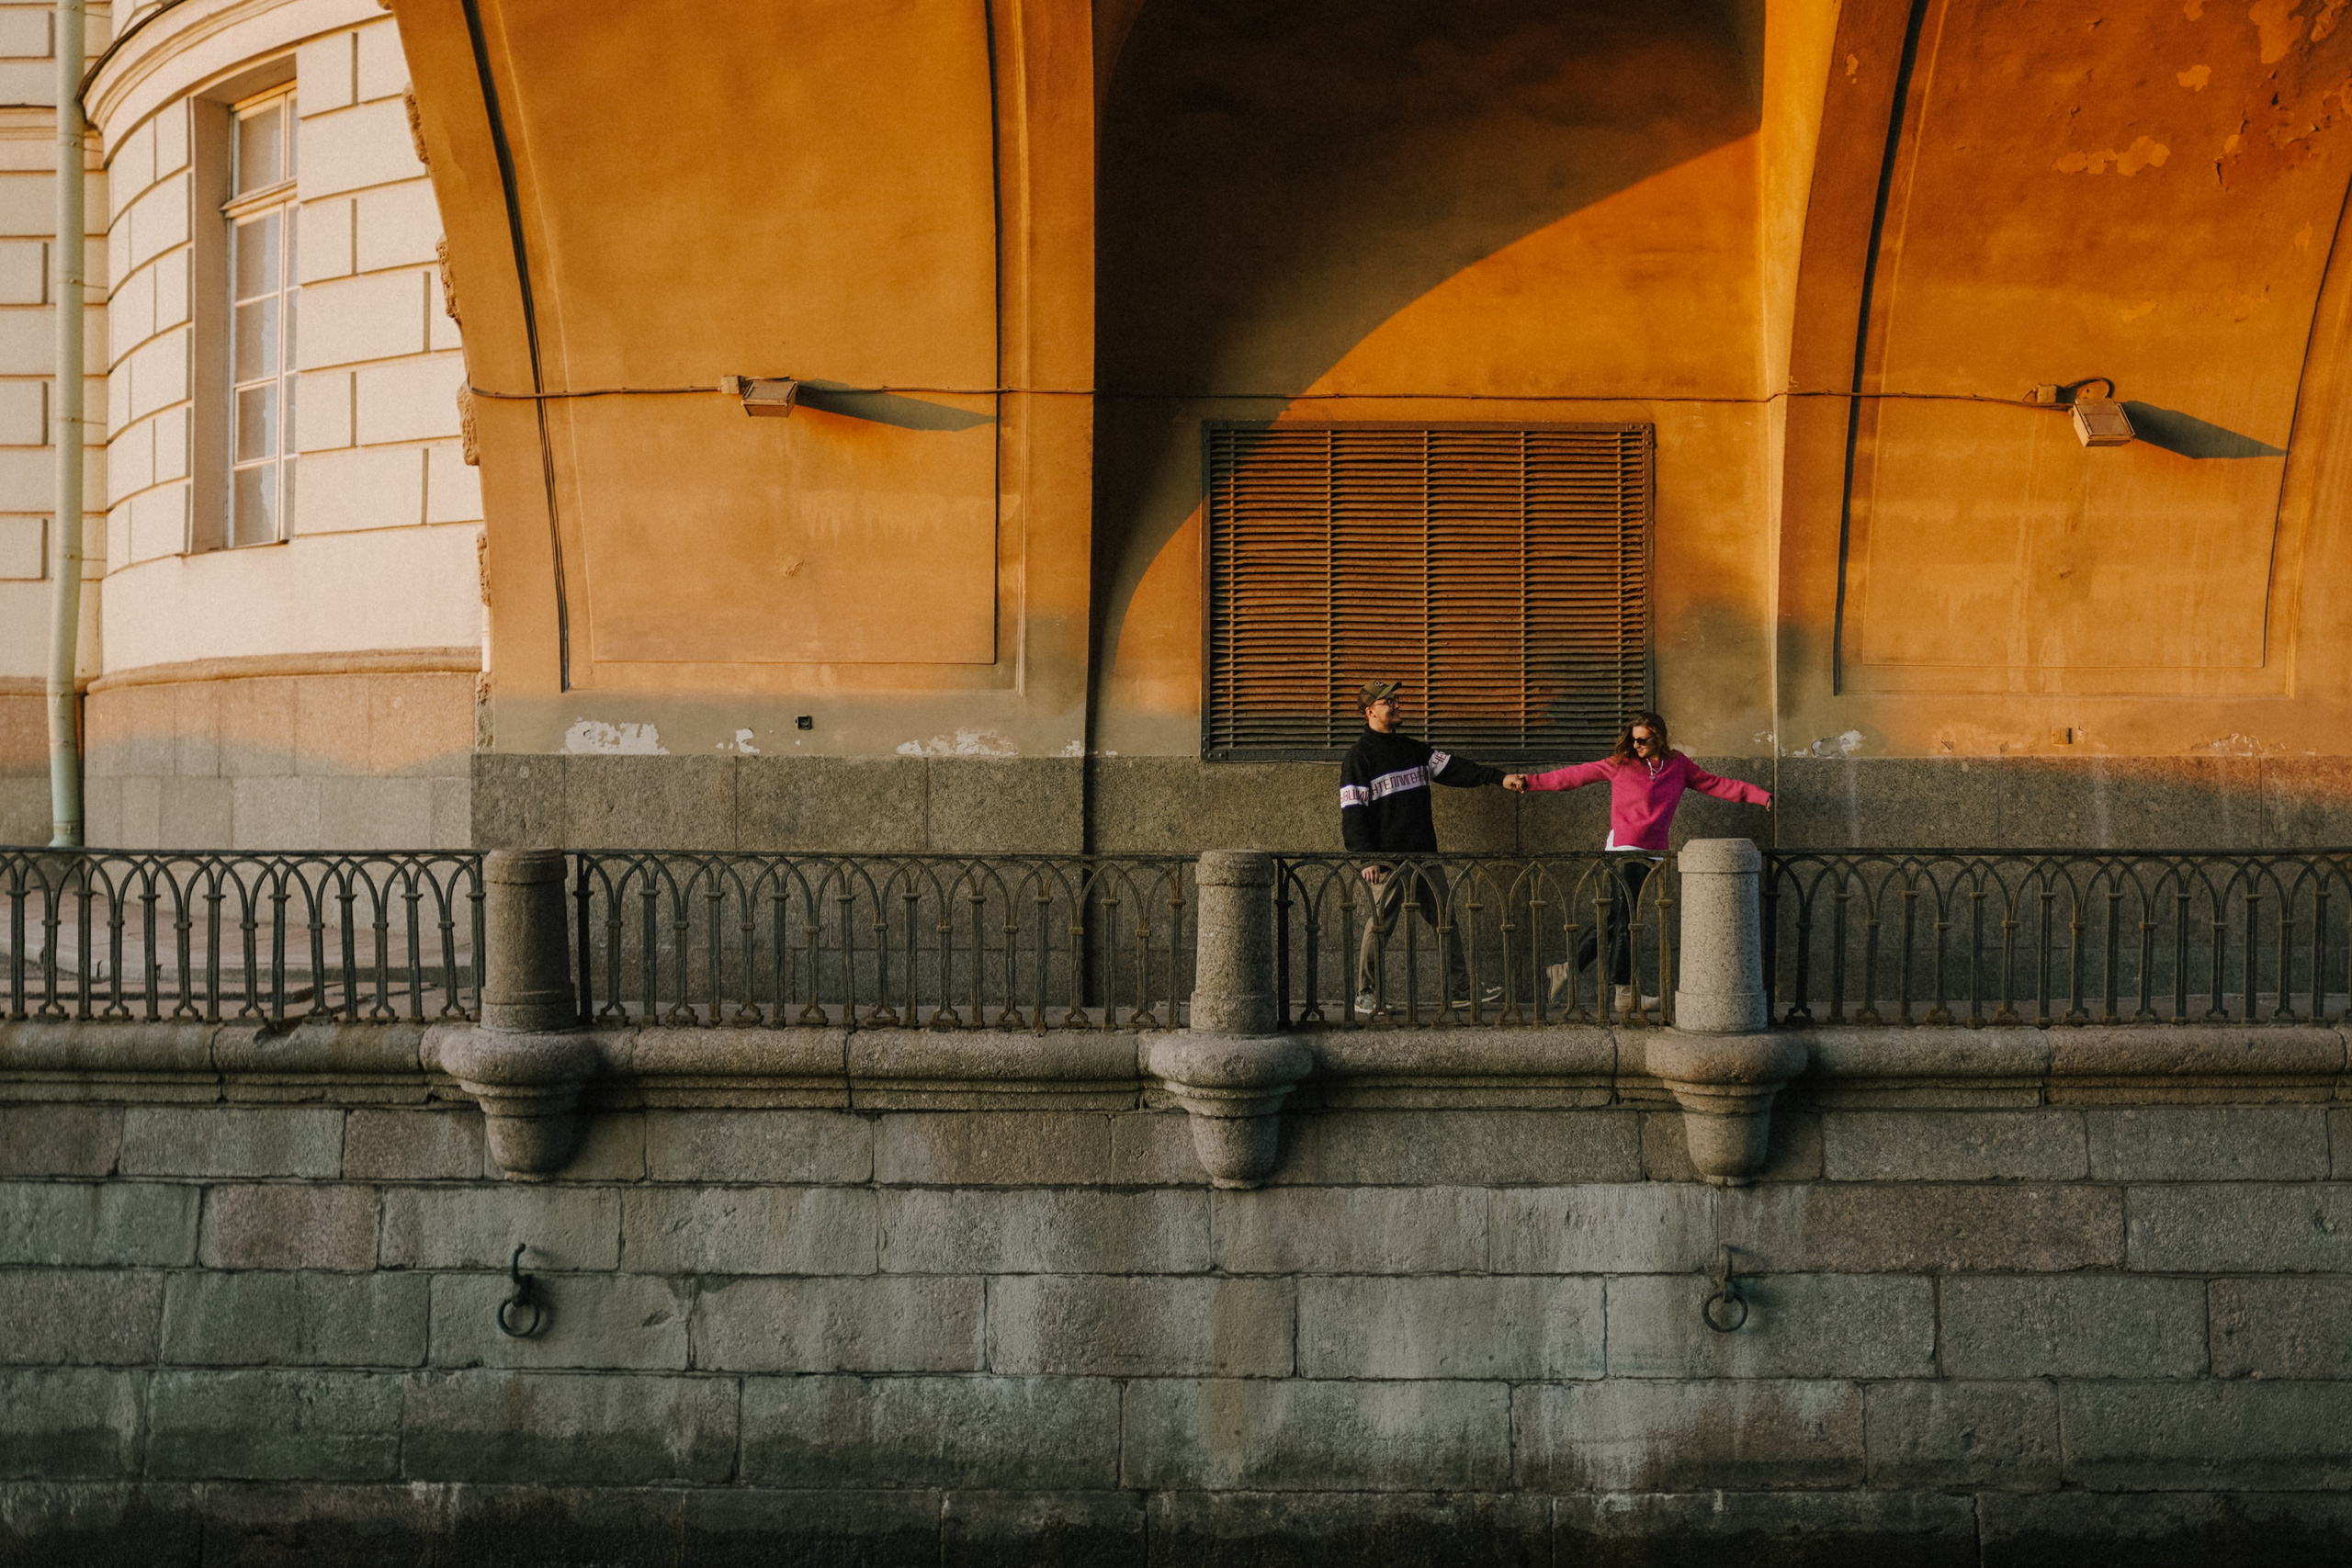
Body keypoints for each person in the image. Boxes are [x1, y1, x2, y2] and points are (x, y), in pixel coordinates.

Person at [1502, 710, 1770, 1015]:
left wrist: (1759, 795)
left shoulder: (1678, 765)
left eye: (1643, 739)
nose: (1637, 744)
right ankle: (1623, 992)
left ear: (1659, 737)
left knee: (1617, 919)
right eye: (1633, 739)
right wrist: (1530, 782)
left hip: (1653, 852)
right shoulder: (1622, 763)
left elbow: (1716, 784)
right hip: (1623, 848)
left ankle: (1567, 969)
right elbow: (1573, 777)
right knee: (1626, 920)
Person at [1340, 681, 1510, 1013]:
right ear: (1370, 711)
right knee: (1379, 925)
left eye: (1396, 698)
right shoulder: (1359, 757)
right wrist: (1367, 857)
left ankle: (1460, 990)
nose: (1396, 704)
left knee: (1446, 921)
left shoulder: (1414, 749)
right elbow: (1353, 812)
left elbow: (1456, 769)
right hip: (1387, 862)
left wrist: (1498, 778)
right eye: (1388, 701)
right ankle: (1366, 993)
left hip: (1425, 856)